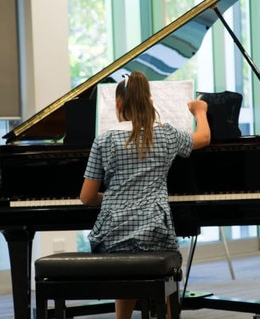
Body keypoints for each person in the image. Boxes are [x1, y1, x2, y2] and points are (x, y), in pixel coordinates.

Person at [79, 70, 210, 319]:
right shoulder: (166, 134)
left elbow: (87, 197)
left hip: (112, 233)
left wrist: (108, 198)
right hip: (154, 230)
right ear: (149, 101)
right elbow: (203, 137)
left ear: (118, 103)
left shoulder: (104, 140)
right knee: (165, 267)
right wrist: (199, 110)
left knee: (123, 260)